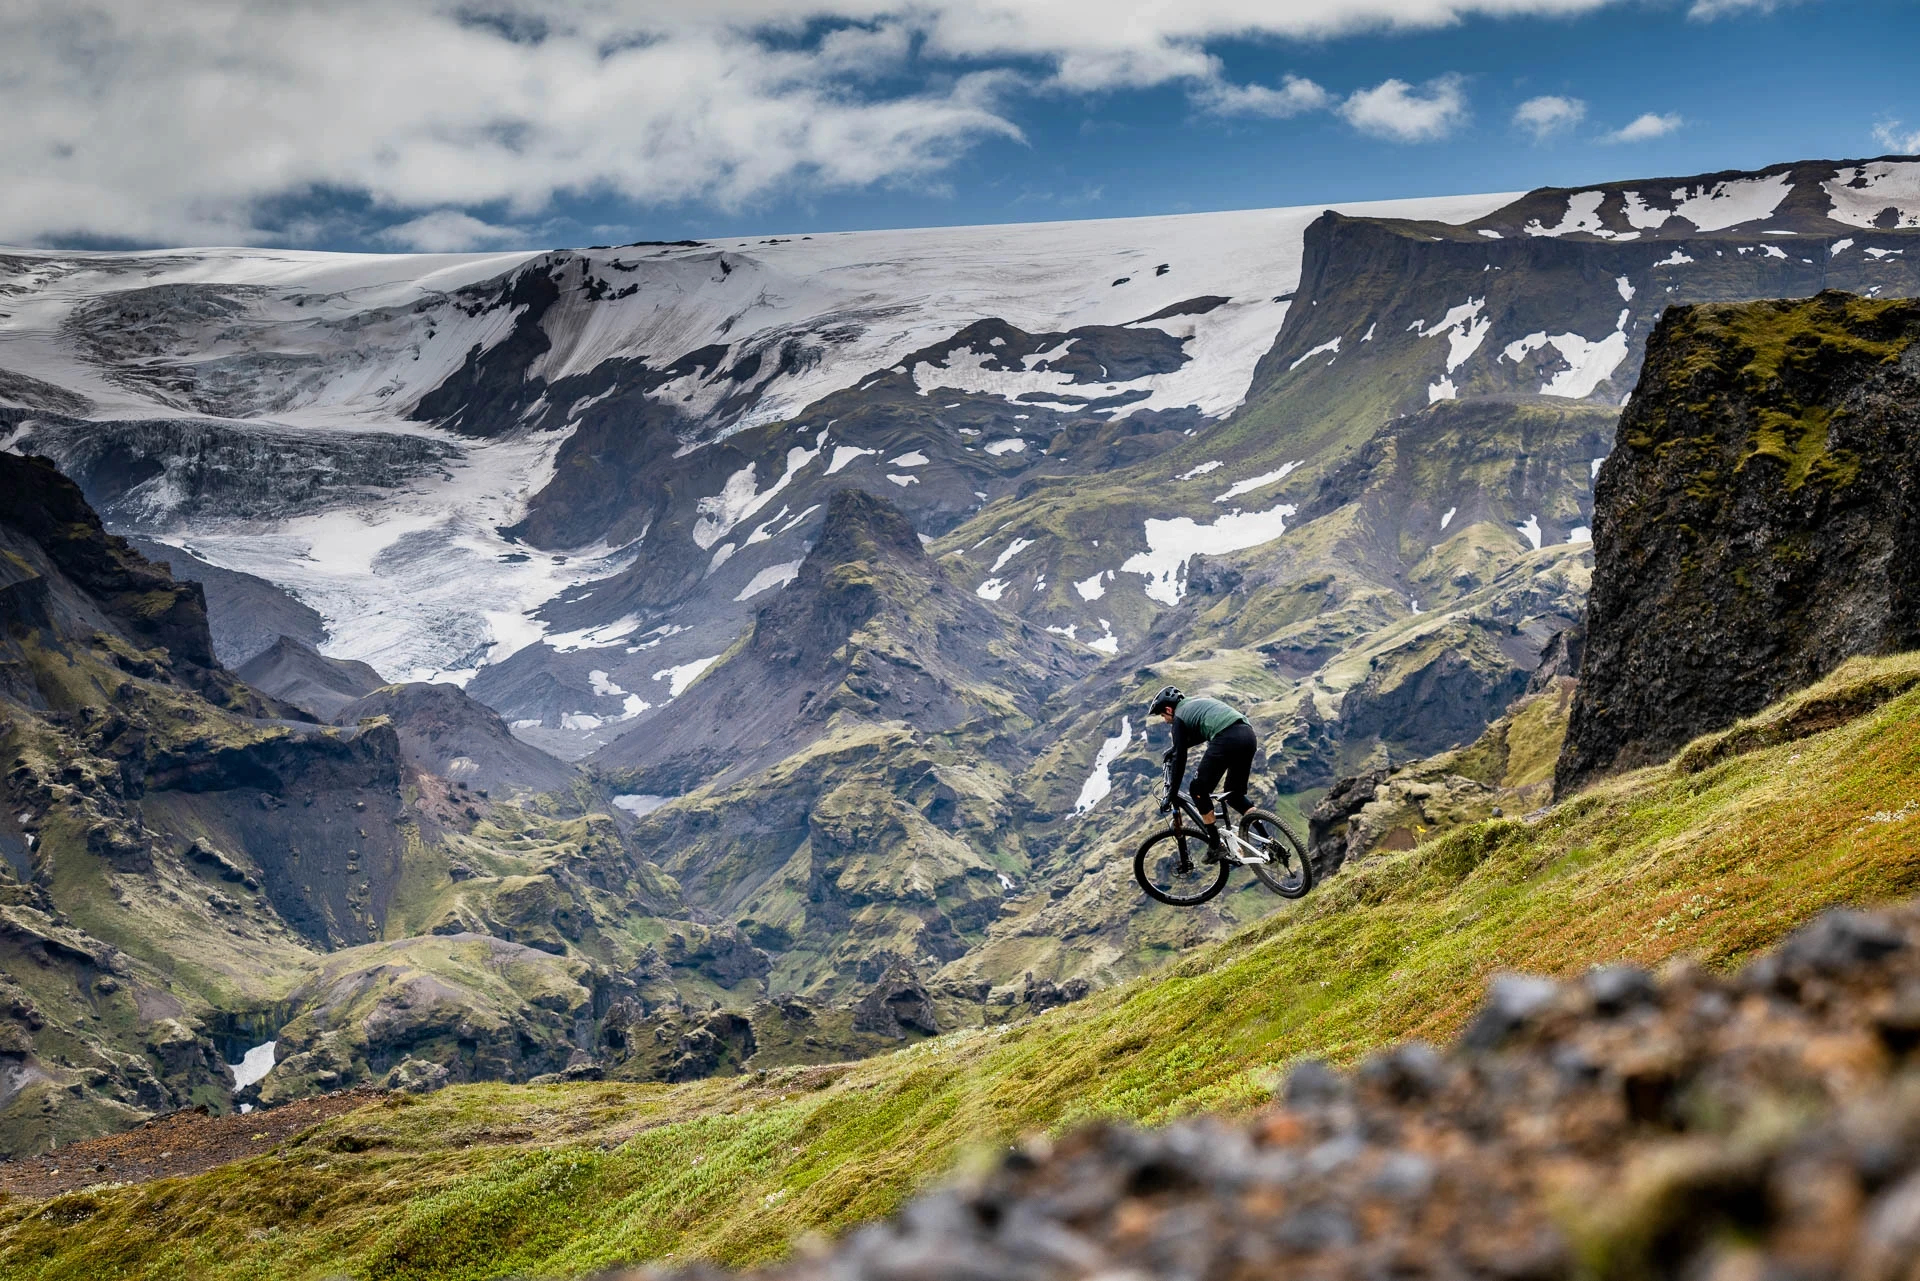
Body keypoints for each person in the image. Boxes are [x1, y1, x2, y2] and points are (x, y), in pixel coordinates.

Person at [1148, 685, 1256, 854]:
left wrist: (1170, 795)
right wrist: (1174, 750)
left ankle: (1215, 844)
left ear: (1169, 709)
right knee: (1234, 795)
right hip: (1248, 735)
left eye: (1163, 715)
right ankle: (1269, 841)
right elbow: (1200, 733)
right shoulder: (1195, 704)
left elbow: (1180, 760)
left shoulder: (1178, 718)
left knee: (1197, 789)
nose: (1165, 719)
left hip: (1226, 738)